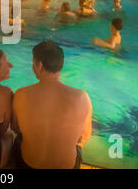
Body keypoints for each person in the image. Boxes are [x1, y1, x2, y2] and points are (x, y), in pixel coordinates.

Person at [12, 41, 92, 169]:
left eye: (33, 63)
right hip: (66, 167)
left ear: (39, 65)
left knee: (17, 140)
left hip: (28, 165)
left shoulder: (21, 94)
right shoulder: (82, 97)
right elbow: (85, 135)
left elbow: (16, 128)